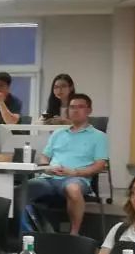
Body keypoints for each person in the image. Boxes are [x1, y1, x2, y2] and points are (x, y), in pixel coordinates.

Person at [23, 93, 109, 234]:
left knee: (73, 189)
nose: (75, 110)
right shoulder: (58, 133)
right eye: (72, 107)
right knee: (22, 189)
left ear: (89, 110)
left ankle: (73, 234)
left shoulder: (99, 136)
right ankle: (28, 232)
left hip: (76, 178)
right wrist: (47, 168)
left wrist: (74, 172)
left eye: (80, 107)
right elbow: (44, 156)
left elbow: (99, 165)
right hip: (49, 177)